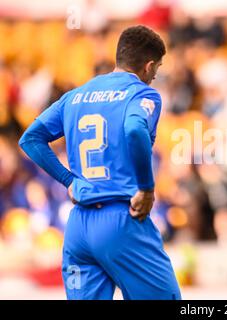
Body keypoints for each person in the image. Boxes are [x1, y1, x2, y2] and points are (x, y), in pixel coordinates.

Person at [19, 25, 181, 300]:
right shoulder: (142, 94)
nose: (155, 76)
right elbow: (134, 130)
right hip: (122, 219)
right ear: (149, 65)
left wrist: (69, 180)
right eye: (157, 69)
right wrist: (147, 188)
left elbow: (30, 139)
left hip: (79, 226)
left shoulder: (76, 96)